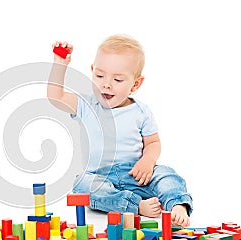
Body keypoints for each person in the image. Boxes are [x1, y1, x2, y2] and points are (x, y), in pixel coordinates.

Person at [47, 34, 193, 227]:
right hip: (101, 179)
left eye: (117, 79)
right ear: (92, 71)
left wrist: (148, 161)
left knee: (166, 174)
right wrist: (60, 65)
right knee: (80, 184)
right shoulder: (85, 105)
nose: (106, 84)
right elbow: (55, 97)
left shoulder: (141, 112)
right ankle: (136, 206)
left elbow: (153, 143)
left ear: (135, 84)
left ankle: (177, 205)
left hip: (139, 176)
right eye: (99, 76)